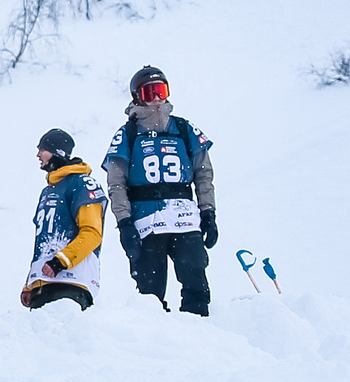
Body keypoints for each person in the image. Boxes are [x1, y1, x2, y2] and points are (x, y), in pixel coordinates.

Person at [103, 65, 217, 316]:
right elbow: (116, 184)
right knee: (150, 295)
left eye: (160, 90)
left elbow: (203, 173)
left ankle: (200, 335)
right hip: (147, 222)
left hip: (185, 219)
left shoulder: (184, 129)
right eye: (148, 92)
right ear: (137, 97)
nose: (156, 98)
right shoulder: (127, 135)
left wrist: (208, 213)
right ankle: (159, 344)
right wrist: (125, 223)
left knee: (196, 283)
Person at [22, 129, 106, 310]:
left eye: (42, 149)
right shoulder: (48, 191)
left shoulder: (82, 183)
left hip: (71, 283)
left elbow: (92, 233)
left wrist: (60, 261)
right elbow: (43, 242)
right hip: (44, 284)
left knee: (62, 336)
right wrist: (30, 283)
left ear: (57, 153)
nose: (38, 154)